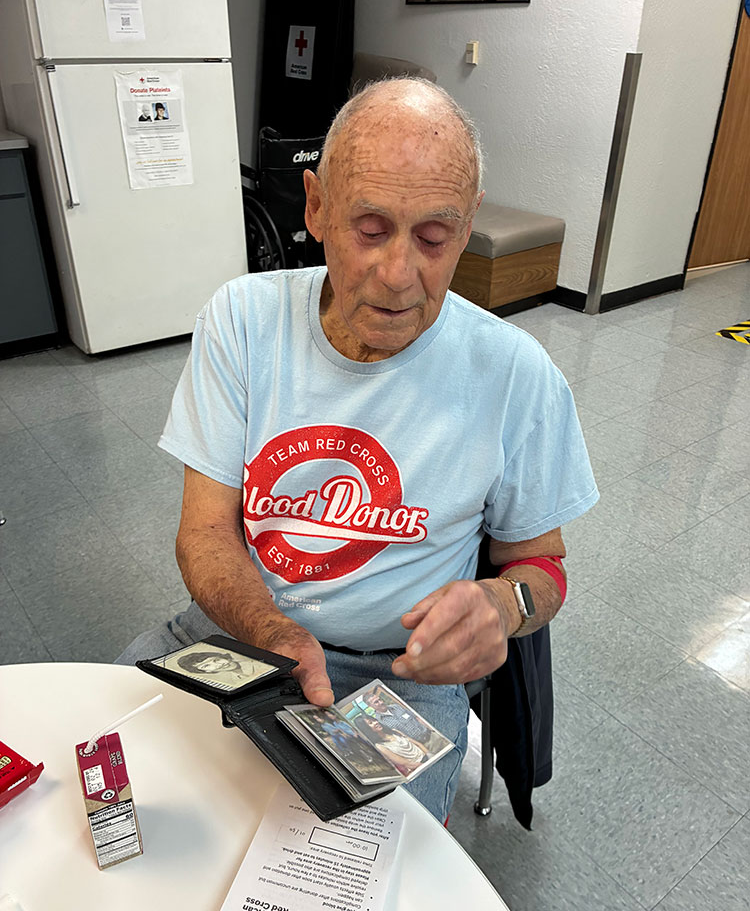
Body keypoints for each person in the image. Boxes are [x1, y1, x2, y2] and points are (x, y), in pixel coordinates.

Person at [116, 78, 597, 822]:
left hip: (398, 678)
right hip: (236, 631)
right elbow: (205, 532)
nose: (400, 275)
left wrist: (501, 607)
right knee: (113, 797)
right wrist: (277, 633)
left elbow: (543, 566)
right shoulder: (243, 322)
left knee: (344, 890)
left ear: (466, 229)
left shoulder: (515, 374)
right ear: (313, 207)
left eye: (434, 238)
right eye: (369, 228)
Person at [354, 715, 430, 777]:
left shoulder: (394, 731)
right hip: (419, 766)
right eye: (371, 723)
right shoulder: (380, 746)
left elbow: (417, 744)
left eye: (374, 720)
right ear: (367, 729)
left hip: (427, 756)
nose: (376, 722)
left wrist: (430, 755)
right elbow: (408, 764)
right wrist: (427, 765)